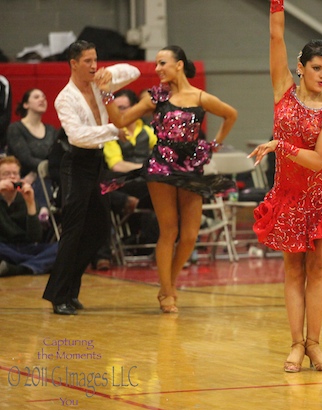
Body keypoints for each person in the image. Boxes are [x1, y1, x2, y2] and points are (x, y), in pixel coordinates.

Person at [248, 0, 322, 373]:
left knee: (319, 270)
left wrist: (282, 146)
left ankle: (315, 343)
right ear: (301, 67)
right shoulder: (283, 90)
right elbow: (275, 34)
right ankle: (296, 344)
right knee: (293, 271)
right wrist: (277, 3)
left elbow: (318, 160)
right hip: (289, 198)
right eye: (317, 68)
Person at [98, 45, 238, 313]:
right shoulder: (157, 97)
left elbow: (230, 115)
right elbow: (122, 118)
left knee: (188, 236)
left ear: (179, 65)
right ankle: (168, 293)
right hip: (160, 167)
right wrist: (107, 94)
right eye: (157, 64)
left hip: (191, 168)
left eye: (163, 63)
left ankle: (168, 286)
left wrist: (214, 146)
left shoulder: (200, 97)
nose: (157, 68)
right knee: (169, 230)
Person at [42, 40, 141, 315]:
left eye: (95, 59)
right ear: (73, 64)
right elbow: (77, 136)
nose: (93, 65)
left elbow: (134, 72)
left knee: (99, 229)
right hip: (74, 165)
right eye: (87, 61)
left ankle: (69, 290)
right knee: (73, 231)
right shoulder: (65, 98)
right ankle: (58, 295)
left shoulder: (100, 81)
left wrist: (110, 71)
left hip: (97, 164)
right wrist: (113, 130)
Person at [93, 89, 159, 270]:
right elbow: (117, 165)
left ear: (134, 108)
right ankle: (102, 255)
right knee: (101, 193)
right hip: (124, 182)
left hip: (146, 183)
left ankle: (180, 244)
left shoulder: (147, 130)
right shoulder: (111, 132)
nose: (120, 112)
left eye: (123, 107)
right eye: (117, 108)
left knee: (177, 185)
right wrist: (145, 169)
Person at [0, 156, 58, 277]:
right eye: (6, 174)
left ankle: (19, 268)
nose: (12, 177)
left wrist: (30, 203)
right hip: (4, 247)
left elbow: (35, 237)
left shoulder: (26, 197)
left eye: (15, 174)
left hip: (27, 247)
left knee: (63, 248)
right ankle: (34, 264)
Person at [6, 88, 57, 221]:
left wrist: (36, 172)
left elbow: (55, 157)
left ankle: (44, 212)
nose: (42, 99)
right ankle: (42, 212)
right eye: (36, 97)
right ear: (25, 104)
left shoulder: (51, 130)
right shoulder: (15, 128)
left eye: (44, 97)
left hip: (46, 177)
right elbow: (25, 158)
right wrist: (41, 169)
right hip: (20, 180)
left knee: (45, 177)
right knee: (42, 177)